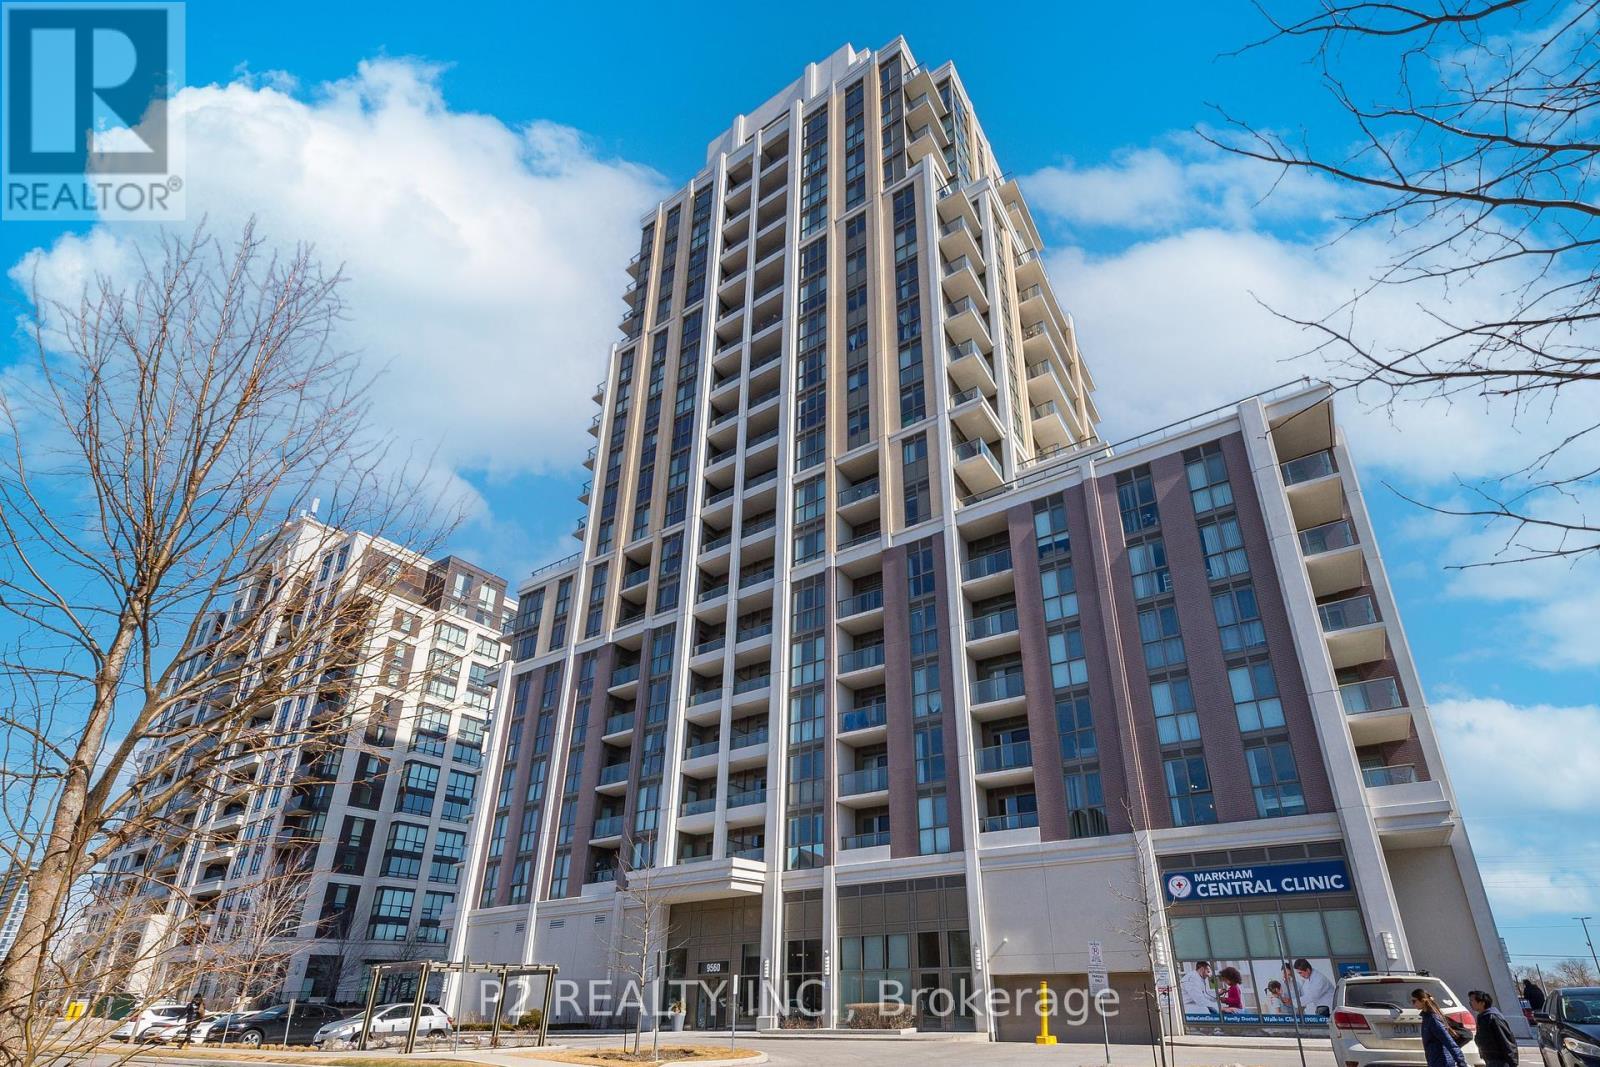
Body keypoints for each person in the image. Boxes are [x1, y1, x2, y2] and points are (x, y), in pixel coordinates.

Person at [1414, 989, 1468, 1067]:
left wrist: (1461, 1062)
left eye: (1414, 1001)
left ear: (1422, 1001)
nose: (1413, 1004)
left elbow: (1448, 1041)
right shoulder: (1427, 1018)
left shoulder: (1433, 1019)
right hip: (1435, 1060)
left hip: (1442, 1061)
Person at [1469, 990, 1519, 1067]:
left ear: (1482, 1003)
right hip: (1490, 1059)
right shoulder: (1482, 1017)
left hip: (1500, 1060)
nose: (1470, 1003)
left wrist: (1512, 1063)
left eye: (1472, 1000)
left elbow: (1506, 1040)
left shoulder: (1493, 1017)